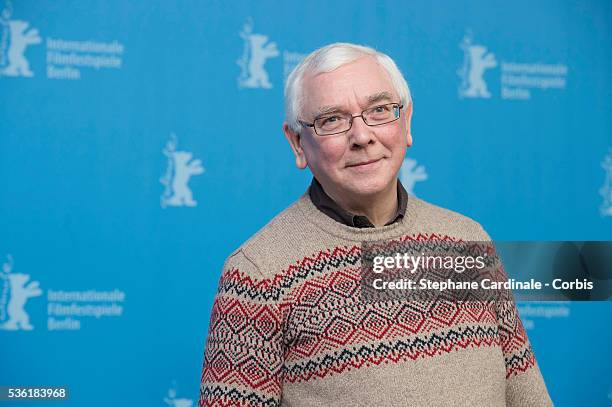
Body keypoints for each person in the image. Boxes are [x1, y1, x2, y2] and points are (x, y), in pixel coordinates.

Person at [198, 43, 552, 406]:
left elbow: (528, 395)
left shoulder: (467, 241)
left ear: (407, 121)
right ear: (297, 143)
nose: (363, 136)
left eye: (380, 110)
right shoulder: (259, 273)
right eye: (332, 119)